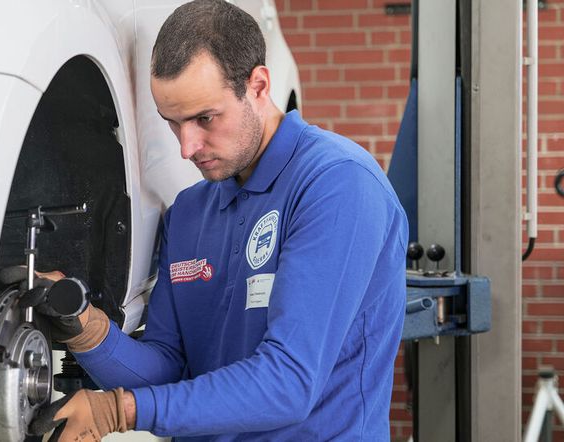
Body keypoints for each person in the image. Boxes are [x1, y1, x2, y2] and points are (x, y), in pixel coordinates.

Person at [29, 0, 408, 440]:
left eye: (205, 118)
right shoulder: (190, 212)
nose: (187, 147)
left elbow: (288, 383)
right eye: (172, 123)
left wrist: (121, 410)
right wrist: (87, 330)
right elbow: (167, 369)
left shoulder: (337, 185)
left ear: (259, 85)